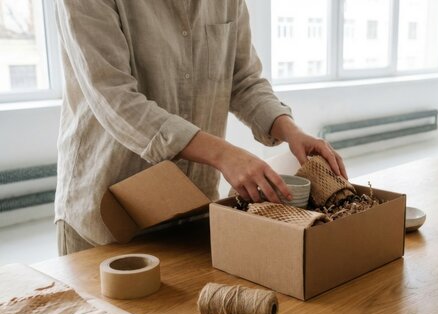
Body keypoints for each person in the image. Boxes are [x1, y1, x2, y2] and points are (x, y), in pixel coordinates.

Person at [54, 0, 347, 255]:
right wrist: (224, 154)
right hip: (106, 216)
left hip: (191, 212)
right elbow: (116, 99)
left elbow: (243, 79)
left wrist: (288, 129)